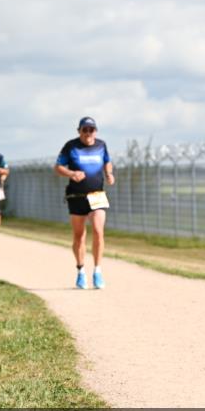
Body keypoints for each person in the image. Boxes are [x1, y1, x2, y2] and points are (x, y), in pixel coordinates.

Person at [54, 116, 114, 289]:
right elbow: (58, 167)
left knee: (98, 230)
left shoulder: (101, 145)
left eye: (91, 129)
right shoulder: (71, 146)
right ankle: (80, 271)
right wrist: (71, 174)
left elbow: (107, 162)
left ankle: (97, 271)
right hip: (76, 196)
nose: (88, 133)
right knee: (79, 236)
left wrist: (109, 173)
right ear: (79, 131)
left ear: (95, 131)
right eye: (84, 129)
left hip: (97, 195)